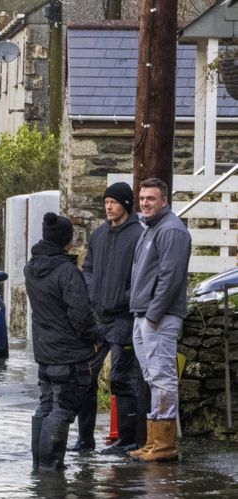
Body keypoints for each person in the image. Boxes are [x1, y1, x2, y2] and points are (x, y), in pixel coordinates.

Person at [71, 182, 147, 454]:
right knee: (85, 378)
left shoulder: (139, 234)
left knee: (121, 378)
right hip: (97, 317)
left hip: (124, 317)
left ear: (125, 204)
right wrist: (92, 291)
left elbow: (144, 275)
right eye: (106, 202)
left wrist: (124, 297)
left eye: (113, 202)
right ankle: (85, 439)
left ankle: (127, 440)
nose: (108, 206)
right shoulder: (100, 234)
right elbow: (88, 267)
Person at [24, 212, 98, 471]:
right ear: (66, 240)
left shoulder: (32, 268)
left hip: (45, 352)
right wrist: (96, 336)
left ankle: (40, 465)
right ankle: (50, 466)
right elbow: (81, 315)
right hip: (69, 354)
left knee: (46, 405)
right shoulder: (66, 271)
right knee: (63, 409)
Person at [128, 178, 192, 462]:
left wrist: (153, 314)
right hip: (144, 314)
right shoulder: (151, 228)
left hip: (159, 317)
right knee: (153, 377)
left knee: (163, 378)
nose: (144, 203)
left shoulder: (172, 231)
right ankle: (154, 441)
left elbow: (171, 276)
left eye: (150, 199)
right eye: (142, 198)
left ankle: (164, 445)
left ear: (164, 200)